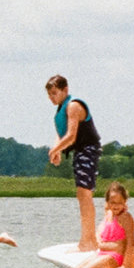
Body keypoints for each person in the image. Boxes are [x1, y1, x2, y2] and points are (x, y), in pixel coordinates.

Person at [44, 76, 103, 250]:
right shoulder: (62, 109)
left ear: (65, 90)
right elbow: (61, 133)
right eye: (49, 94)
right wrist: (57, 148)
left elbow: (71, 135)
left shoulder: (74, 106)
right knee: (81, 194)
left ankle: (89, 240)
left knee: (84, 194)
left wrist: (55, 150)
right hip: (80, 151)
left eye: (54, 93)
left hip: (88, 149)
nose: (52, 98)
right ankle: (88, 238)